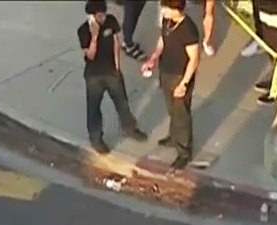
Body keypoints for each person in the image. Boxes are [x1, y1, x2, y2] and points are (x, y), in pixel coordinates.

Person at [140, 0, 201, 169]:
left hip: (180, 75)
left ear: (176, 9)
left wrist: (184, 83)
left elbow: (194, 59)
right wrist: (153, 59)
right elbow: (162, 40)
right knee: (171, 108)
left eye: (166, 7)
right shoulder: (168, 21)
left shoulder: (188, 29)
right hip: (166, 71)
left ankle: (184, 152)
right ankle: (173, 136)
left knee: (181, 113)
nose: (163, 10)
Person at [80, 1, 146, 155]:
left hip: (112, 73)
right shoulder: (83, 31)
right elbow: (90, 55)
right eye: (99, 16)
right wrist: (95, 36)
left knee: (122, 102)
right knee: (94, 108)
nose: (102, 18)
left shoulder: (111, 21)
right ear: (91, 16)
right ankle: (96, 139)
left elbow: (116, 42)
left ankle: (129, 128)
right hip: (94, 75)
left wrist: (117, 66)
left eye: (103, 14)